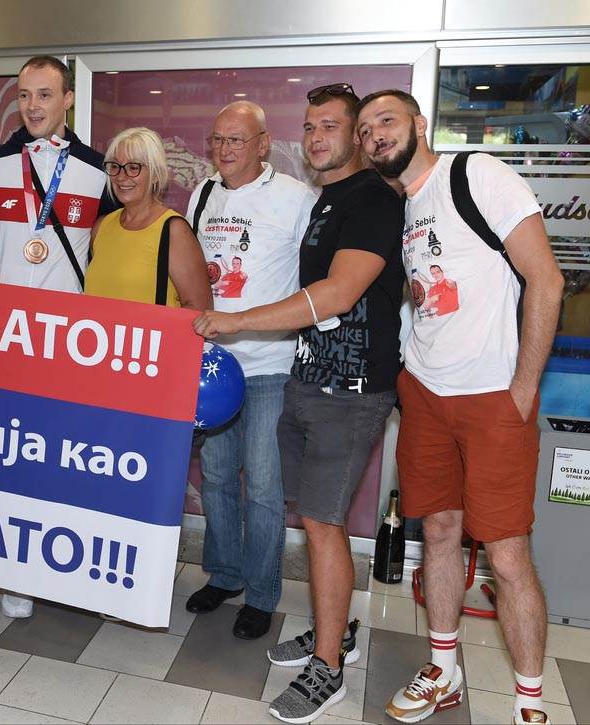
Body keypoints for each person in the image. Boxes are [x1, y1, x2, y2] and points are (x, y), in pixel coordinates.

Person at [194, 84, 404, 723]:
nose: (318, 137)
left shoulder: (369, 199)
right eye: (311, 126)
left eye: (334, 126)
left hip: (348, 389)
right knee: (308, 515)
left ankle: (330, 668)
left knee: (316, 517)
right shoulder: (331, 201)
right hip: (311, 378)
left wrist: (238, 322)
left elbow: (338, 294)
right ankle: (329, 629)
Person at [357, 88, 564, 725]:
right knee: (438, 534)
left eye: (385, 121)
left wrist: (523, 388)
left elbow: (547, 279)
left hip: (493, 397)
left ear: (419, 124)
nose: (374, 136)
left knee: (505, 553)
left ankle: (530, 704)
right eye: (364, 131)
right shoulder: (402, 207)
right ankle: (442, 669)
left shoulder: (475, 173)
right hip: (425, 394)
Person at [0, 54, 116, 623]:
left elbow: (119, 249)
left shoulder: (99, 170)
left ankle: (31, 572)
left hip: (64, 343)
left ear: (68, 99)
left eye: (45, 95)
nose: (33, 106)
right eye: (25, 95)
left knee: (47, 458)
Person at [184, 101, 316, 640]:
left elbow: (318, 280)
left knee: (263, 485)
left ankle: (261, 594)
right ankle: (225, 574)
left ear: (263, 144)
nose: (225, 150)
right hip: (214, 368)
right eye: (217, 140)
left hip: (269, 364)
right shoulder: (202, 194)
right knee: (216, 477)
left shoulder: (296, 197)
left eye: (237, 140)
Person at [84, 126, 210, 310]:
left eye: (133, 167)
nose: (122, 176)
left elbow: (199, 308)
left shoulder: (173, 230)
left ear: (155, 174)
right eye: (115, 167)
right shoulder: (102, 226)